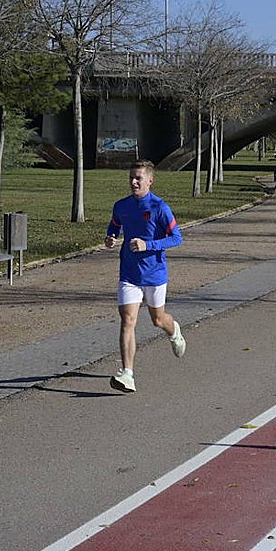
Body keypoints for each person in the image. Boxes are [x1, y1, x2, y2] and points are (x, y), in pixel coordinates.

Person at [104, 159, 186, 393]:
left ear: (150, 181)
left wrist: (148, 245)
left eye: (138, 178)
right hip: (129, 273)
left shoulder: (160, 207)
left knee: (157, 320)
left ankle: (174, 331)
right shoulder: (121, 206)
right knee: (128, 320)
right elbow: (114, 226)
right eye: (131, 177)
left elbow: (177, 238)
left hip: (154, 274)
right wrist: (110, 238)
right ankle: (127, 374)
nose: (133, 181)